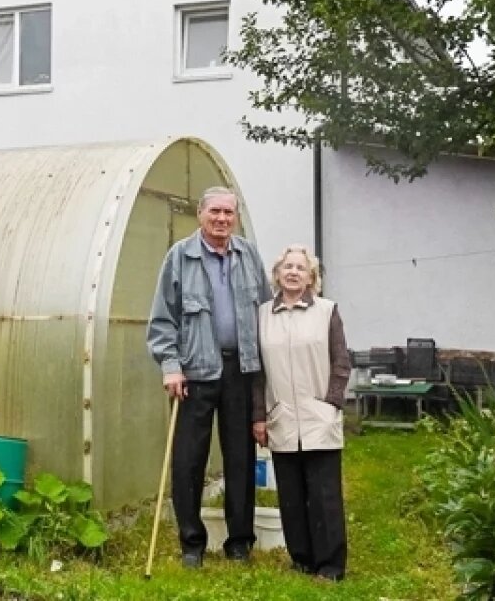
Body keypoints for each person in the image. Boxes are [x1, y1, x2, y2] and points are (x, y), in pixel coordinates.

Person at [147, 186, 272, 567]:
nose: (222, 219)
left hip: (240, 369)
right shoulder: (180, 257)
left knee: (239, 457)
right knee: (188, 460)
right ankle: (191, 544)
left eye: (228, 213)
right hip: (194, 372)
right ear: (200, 215)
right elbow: (162, 320)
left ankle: (239, 543)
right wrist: (171, 368)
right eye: (214, 212)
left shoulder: (249, 255)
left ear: (235, 217)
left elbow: (265, 311)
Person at [251, 244, 351, 582]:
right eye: (287, 267)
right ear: (277, 274)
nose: (293, 272)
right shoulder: (262, 314)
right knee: (290, 494)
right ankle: (302, 559)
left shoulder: (327, 311)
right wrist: (260, 415)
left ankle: (331, 565)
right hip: (281, 415)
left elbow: (341, 362)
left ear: (312, 277)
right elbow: (258, 372)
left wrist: (332, 403)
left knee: (324, 495)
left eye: (300, 268)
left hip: (318, 415)